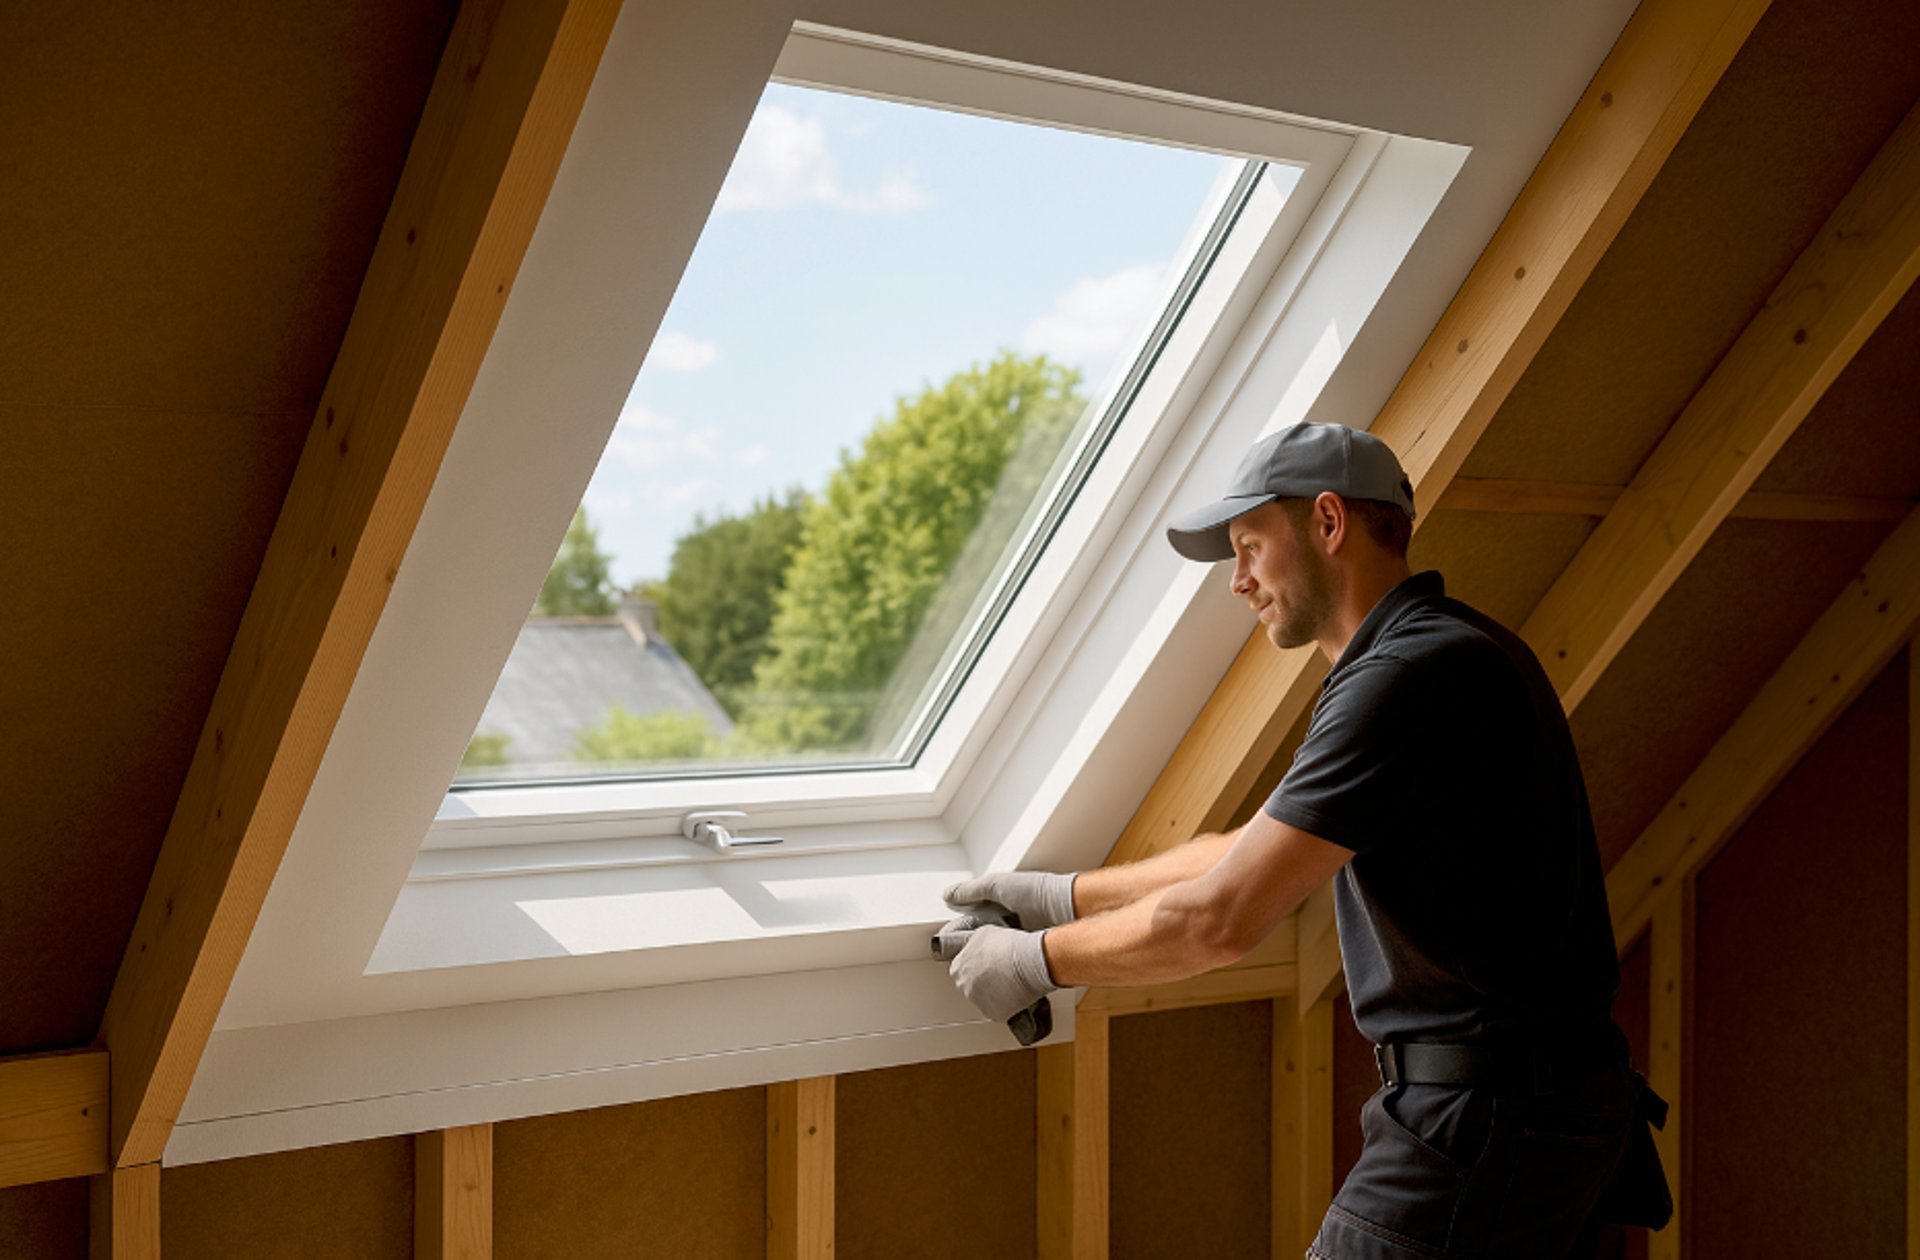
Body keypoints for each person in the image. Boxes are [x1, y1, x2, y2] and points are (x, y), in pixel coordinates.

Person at [936, 422, 1668, 1258]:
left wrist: (1035, 963)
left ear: (1328, 523)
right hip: (1553, 1110)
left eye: (1250, 547)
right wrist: (1060, 895)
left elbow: (1218, 919)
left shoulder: (1401, 679)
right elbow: (1253, 848)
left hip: (1484, 1121)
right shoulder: (1452, 647)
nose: (1238, 582)